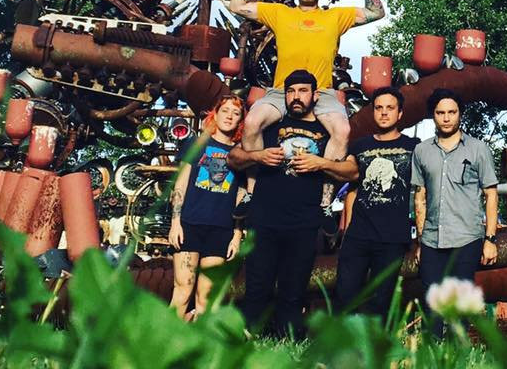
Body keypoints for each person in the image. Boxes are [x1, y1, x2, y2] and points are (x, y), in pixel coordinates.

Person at [228, 0, 385, 201]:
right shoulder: (279, 13)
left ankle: (325, 199)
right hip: (282, 91)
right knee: (251, 122)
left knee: (342, 129)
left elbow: (377, 12)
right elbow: (236, 5)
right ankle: (252, 192)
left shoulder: (336, 16)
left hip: (322, 92)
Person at [227, 69, 356, 339]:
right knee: (257, 286)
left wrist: (321, 163)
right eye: (291, 91)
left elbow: (352, 172)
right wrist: (259, 156)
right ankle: (250, 339)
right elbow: (233, 158)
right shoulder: (270, 125)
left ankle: (288, 342)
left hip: (304, 223)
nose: (296, 97)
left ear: (315, 96)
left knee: (293, 289)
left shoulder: (328, 131)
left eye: (303, 91)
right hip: (264, 219)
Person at [412, 89, 498, 335]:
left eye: (452, 112)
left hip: (466, 237)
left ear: (460, 114)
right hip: (432, 239)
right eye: (440, 113)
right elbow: (420, 197)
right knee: (431, 305)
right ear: (433, 115)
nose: (446, 118)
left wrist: (490, 239)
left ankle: (457, 351)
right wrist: (421, 241)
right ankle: (432, 351)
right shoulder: (422, 151)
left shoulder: (478, 149)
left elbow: (491, 194)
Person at [334, 85, 417, 318]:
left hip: (393, 238)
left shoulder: (414, 147)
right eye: (379, 108)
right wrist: (346, 230)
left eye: (390, 108)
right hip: (358, 236)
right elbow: (352, 190)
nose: (384, 112)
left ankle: (377, 341)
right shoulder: (360, 146)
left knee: (381, 302)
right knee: (345, 297)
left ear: (400, 113)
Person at [169, 93, 247, 318]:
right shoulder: (197, 143)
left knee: (207, 297)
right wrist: (175, 223)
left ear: (240, 120)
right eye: (225, 111)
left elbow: (241, 196)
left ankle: (200, 339)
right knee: (182, 290)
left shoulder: (241, 154)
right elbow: (180, 184)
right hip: (189, 224)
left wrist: (236, 235)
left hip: (221, 229)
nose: (229, 116)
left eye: (235, 113)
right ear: (216, 114)